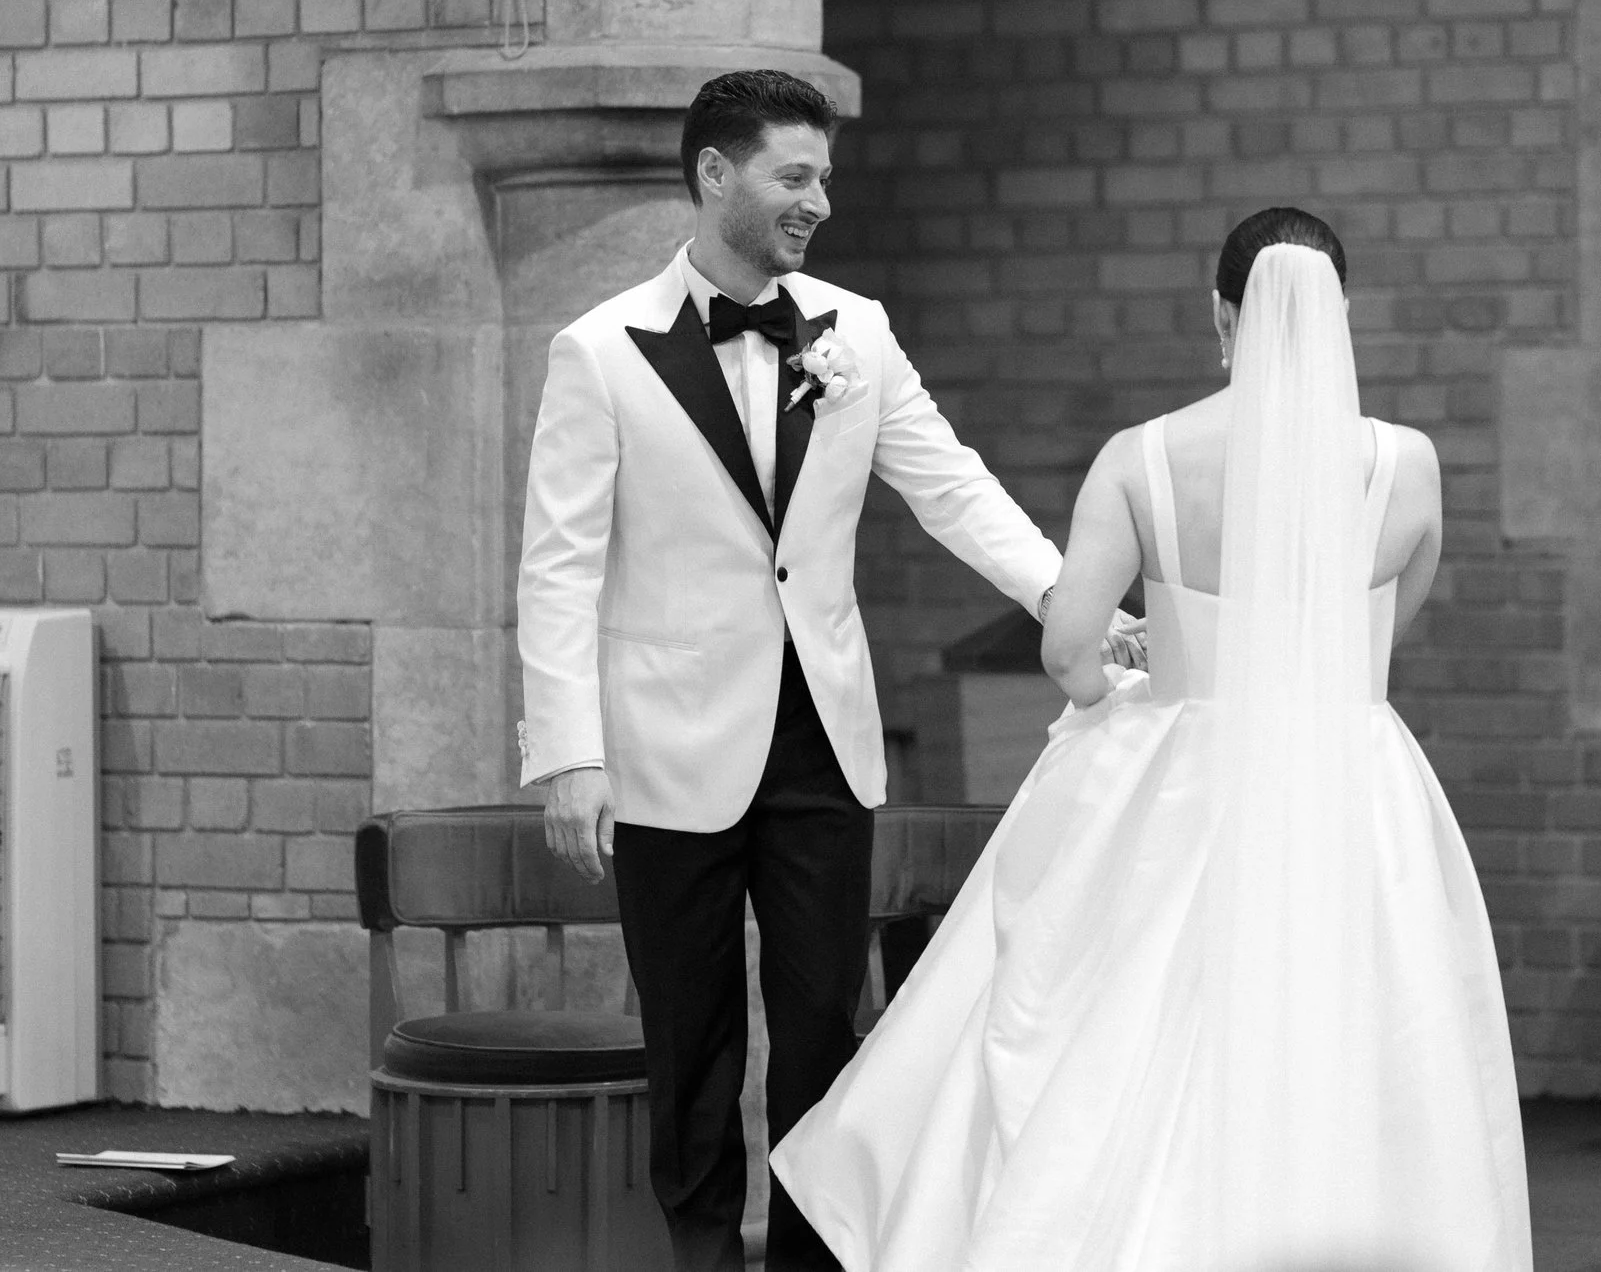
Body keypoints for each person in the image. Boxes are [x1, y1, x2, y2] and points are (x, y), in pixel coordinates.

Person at [771, 208, 1533, 1271]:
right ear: (1339, 315)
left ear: (1218, 313)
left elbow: (1067, 646)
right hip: (1354, 784)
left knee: (1125, 1030)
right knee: (1364, 1025)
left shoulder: (1143, 456)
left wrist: (1116, 683)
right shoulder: (1406, 464)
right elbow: (1383, 630)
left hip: (1185, 778)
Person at [516, 69, 1137, 1272]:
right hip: (667, 743)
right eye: (794, 176)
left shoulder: (854, 331)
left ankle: (810, 1262)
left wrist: (1074, 600)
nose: (820, 202)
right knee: (690, 1040)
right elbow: (557, 568)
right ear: (715, 174)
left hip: (821, 741)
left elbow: (951, 485)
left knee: (822, 1033)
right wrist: (570, 752)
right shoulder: (600, 352)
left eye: (824, 177)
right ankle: (699, 1252)